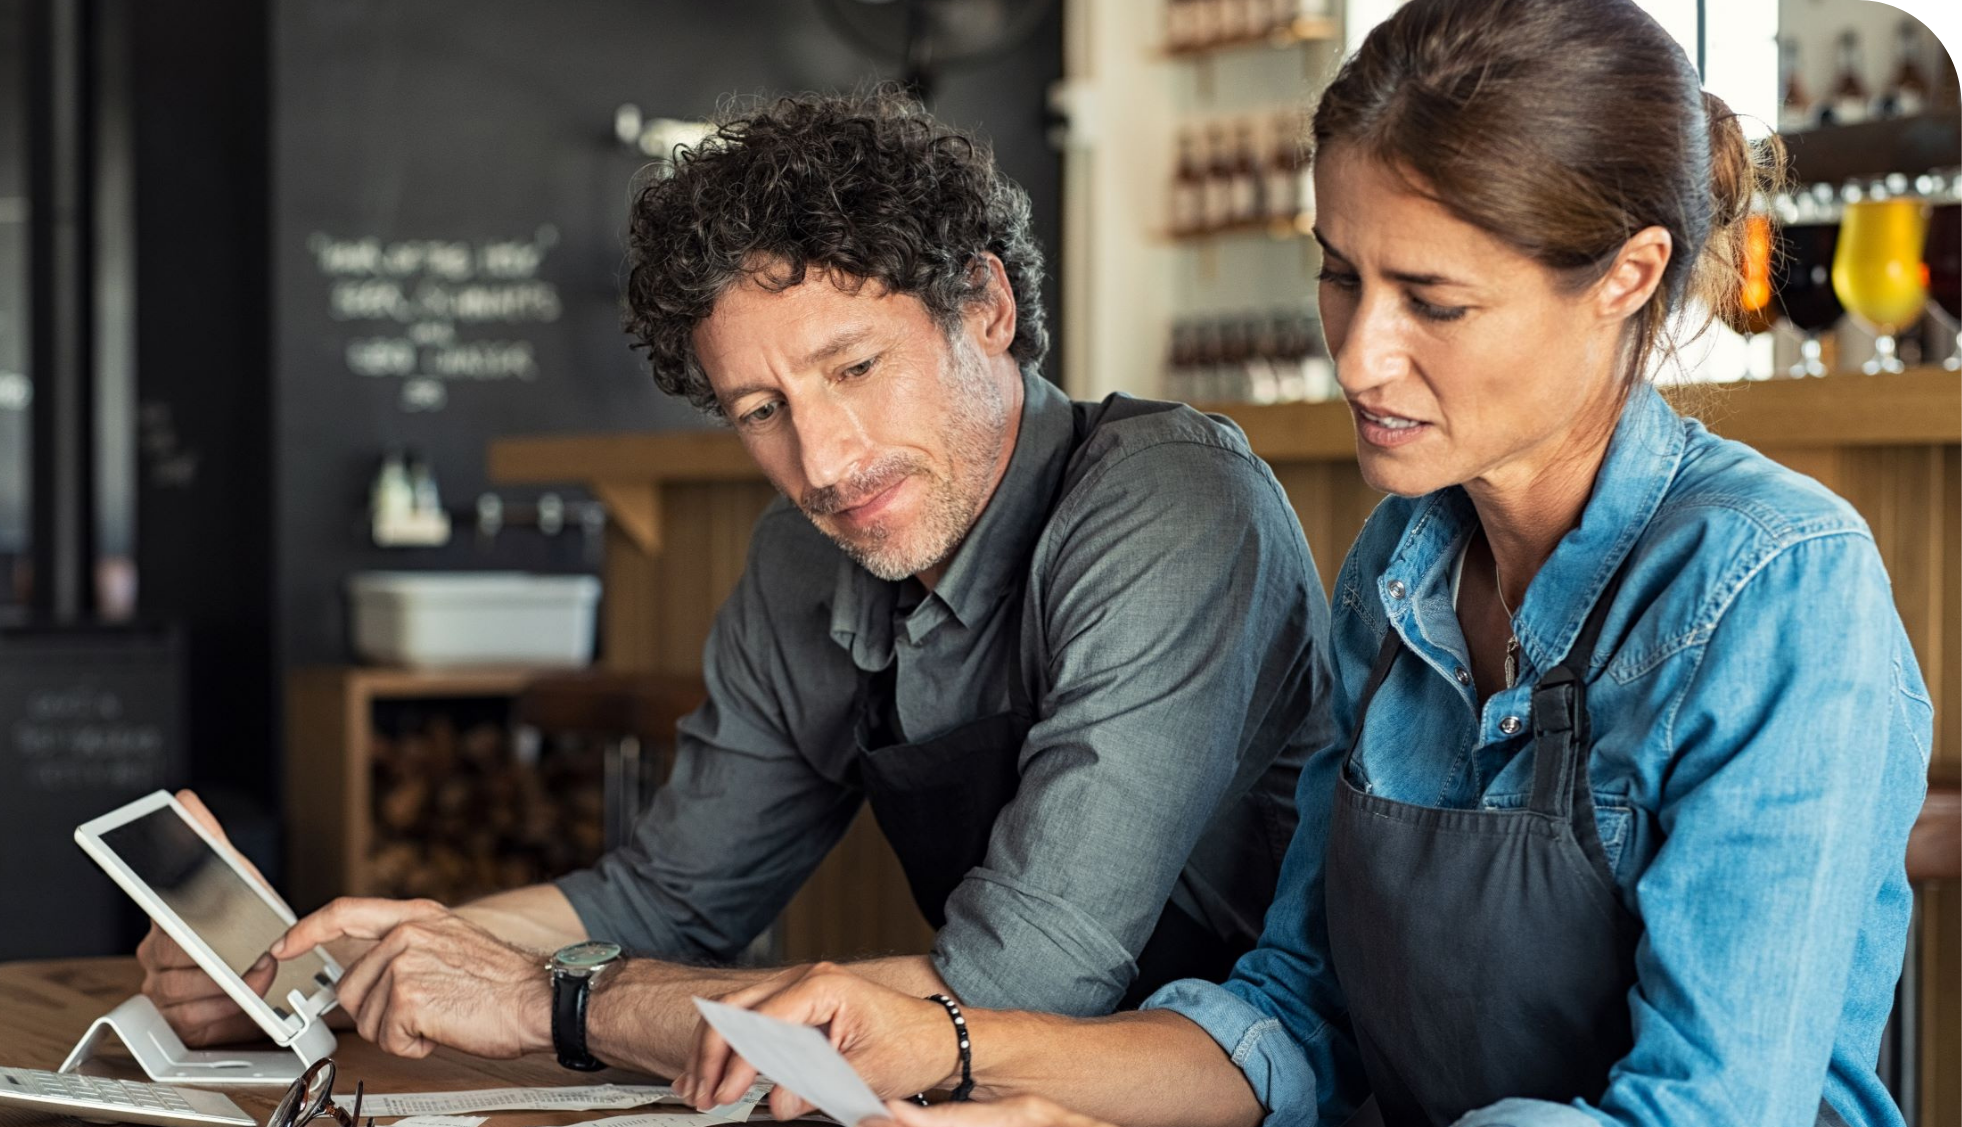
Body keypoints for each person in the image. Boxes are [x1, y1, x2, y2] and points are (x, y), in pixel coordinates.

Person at [676, 4, 1925, 1127]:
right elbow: (1298, 1012)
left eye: (1430, 300)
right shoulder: (1401, 562)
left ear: (1625, 276)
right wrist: (943, 1046)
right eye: (1340, 275)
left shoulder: (1773, 584)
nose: (1360, 357)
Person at [138, 90, 1334, 1077]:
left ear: (984, 308)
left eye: (855, 367)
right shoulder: (801, 556)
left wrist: (546, 1003)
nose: (821, 464)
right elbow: (669, 895)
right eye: (760, 412)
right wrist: (334, 960)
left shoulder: (1168, 506)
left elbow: (1016, 987)